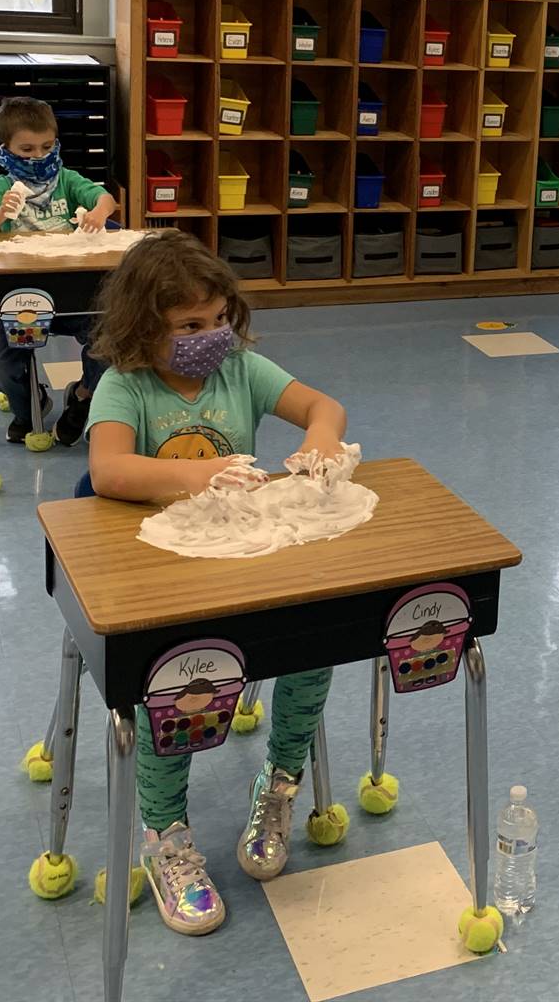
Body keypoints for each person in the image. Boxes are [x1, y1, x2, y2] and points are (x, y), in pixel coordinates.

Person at [86, 230, 349, 936]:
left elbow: (323, 408)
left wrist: (319, 441)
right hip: (162, 574)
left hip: (246, 557)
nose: (211, 336)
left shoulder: (243, 369)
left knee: (314, 639)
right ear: (147, 329)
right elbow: (109, 471)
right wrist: (199, 474)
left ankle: (281, 782)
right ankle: (165, 835)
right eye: (189, 326)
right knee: (174, 687)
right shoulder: (125, 385)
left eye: (219, 319)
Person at [0, 97, 118, 444]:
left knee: (111, 338)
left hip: (71, 297)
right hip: (21, 302)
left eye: (47, 146)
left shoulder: (67, 180)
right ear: (6, 148)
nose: (38, 156)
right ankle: (30, 405)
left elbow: (105, 198)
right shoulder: (3, 186)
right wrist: (0, 213)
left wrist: (99, 212)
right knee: (5, 365)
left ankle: (83, 396)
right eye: (27, 149)